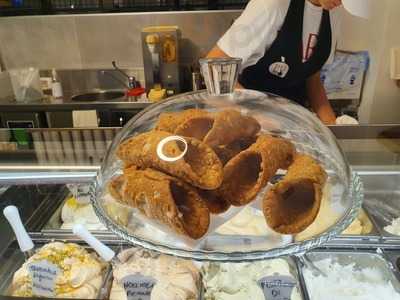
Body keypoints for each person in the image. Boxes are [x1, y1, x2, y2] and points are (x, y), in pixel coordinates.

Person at [207, 0, 343, 124]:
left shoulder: (333, 11)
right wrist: (252, 115)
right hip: (248, 123)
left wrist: (332, 129)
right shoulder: (272, 5)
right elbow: (214, 65)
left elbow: (312, 76)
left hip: (292, 123)